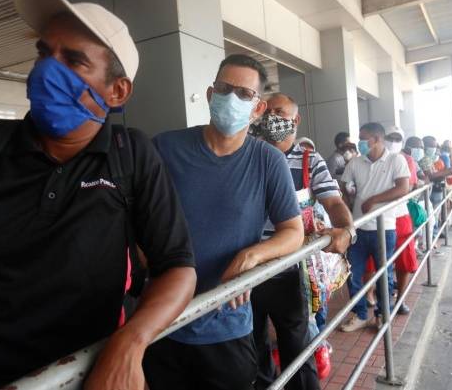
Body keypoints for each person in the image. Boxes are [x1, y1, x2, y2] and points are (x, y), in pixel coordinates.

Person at [0, 0, 197, 389]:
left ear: (118, 91)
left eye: (73, 60)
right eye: (44, 53)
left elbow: (177, 266)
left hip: (84, 373)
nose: (46, 69)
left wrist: (130, 342)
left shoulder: (130, 156)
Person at [143, 55, 304, 390]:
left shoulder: (267, 161)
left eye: (244, 94)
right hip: (161, 321)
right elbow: (138, 220)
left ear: (258, 108)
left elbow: (293, 231)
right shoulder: (165, 148)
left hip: (227, 327)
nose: (232, 99)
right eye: (225, 89)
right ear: (209, 93)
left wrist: (253, 255)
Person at [252, 93, 355, 390]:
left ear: (295, 120)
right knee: (254, 348)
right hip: (250, 269)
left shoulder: (309, 160)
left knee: (297, 347)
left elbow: (334, 202)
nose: (271, 118)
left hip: (290, 269)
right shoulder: (248, 154)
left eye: (279, 112)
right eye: (267, 112)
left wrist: (346, 230)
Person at [339, 123, 410, 332]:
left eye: (364, 138)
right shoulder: (355, 163)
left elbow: (403, 188)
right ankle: (359, 314)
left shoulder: (396, 160)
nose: (360, 142)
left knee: (384, 275)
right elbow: (343, 187)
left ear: (378, 139)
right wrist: (347, 204)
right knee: (352, 273)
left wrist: (373, 200)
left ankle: (381, 315)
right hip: (358, 228)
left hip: (384, 227)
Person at [385, 127, 418, 315]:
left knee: (404, 260)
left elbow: (410, 186)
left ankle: (400, 299)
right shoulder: (371, 159)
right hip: (378, 217)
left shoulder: (407, 160)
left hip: (400, 215)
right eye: (391, 137)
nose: (393, 141)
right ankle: (383, 299)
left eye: (397, 138)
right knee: (378, 262)